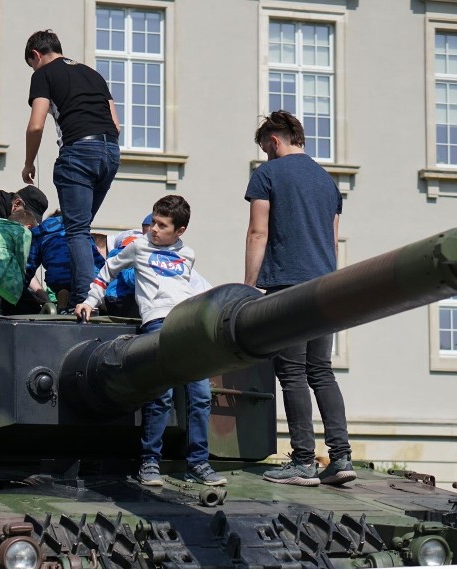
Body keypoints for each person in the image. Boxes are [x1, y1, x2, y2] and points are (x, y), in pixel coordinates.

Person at [76, 195, 226, 487]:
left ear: (179, 230)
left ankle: (199, 462)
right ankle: (150, 463)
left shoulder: (188, 254)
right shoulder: (139, 247)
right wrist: (90, 301)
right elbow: (108, 269)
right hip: (157, 323)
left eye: (162, 225)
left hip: (188, 325)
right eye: (154, 223)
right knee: (161, 395)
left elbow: (193, 287)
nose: (154, 229)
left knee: (201, 396)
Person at [244, 110, 355, 487]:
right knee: (321, 371)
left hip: (287, 288)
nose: (265, 156)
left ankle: (304, 462)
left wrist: (248, 287)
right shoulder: (327, 182)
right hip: (327, 289)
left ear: (274, 141)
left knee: (291, 372)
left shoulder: (267, 175)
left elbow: (258, 233)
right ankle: (341, 458)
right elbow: (333, 240)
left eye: (265, 149)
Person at [22, 29, 121, 308]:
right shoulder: (93, 74)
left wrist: (29, 163)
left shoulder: (43, 74)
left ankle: (83, 299)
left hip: (79, 152)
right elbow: (115, 124)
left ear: (36, 55)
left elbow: (37, 124)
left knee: (75, 229)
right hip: (110, 153)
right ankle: (85, 290)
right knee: (81, 227)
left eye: (32, 63)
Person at [25, 209, 105, 311]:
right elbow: (96, 258)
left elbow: (30, 265)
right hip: (83, 278)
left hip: (56, 279)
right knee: (86, 285)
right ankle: (86, 306)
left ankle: (62, 296)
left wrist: (22, 288)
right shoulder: (81, 232)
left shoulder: (41, 233)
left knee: (63, 283)